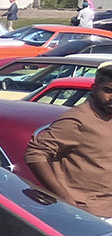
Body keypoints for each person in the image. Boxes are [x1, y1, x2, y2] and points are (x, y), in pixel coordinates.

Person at [26, 64, 112, 222]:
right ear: (94, 88)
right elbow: (35, 153)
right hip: (88, 216)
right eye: (108, 90)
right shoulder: (77, 119)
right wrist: (67, 202)